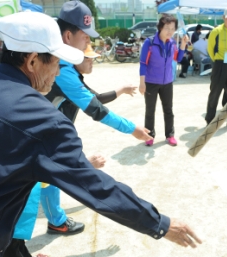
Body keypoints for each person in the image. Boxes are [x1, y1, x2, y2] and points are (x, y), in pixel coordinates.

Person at [0, 11, 201, 257]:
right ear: (32, 61)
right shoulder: (42, 120)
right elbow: (97, 188)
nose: (57, 71)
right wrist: (160, 223)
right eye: (55, 61)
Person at [41, 1, 153, 236]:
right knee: (39, 182)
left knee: (45, 177)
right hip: (41, 136)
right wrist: (132, 129)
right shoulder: (61, 67)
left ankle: (55, 219)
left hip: (47, 134)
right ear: (69, 36)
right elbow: (96, 109)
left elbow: (92, 98)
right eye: (86, 39)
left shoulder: (64, 63)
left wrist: (120, 90)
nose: (89, 45)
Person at [139, 14, 187, 146]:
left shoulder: (172, 43)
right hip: (151, 82)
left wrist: (183, 44)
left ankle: (170, 135)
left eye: (172, 28)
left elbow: (178, 58)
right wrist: (142, 83)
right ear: (160, 27)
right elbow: (143, 63)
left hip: (167, 82)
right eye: (167, 28)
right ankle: (149, 136)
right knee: (150, 110)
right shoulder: (149, 42)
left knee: (168, 110)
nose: (170, 31)